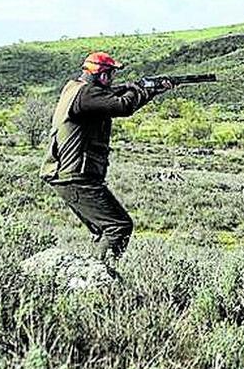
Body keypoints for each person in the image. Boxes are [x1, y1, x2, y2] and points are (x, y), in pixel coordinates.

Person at [40, 51, 171, 270]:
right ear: (102, 75)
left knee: (106, 229)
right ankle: (98, 278)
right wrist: (145, 89)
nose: (113, 79)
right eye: (111, 74)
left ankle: (92, 276)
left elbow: (114, 96)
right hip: (75, 176)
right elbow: (123, 106)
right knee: (118, 226)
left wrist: (144, 88)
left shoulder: (75, 89)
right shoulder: (87, 95)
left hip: (71, 175)